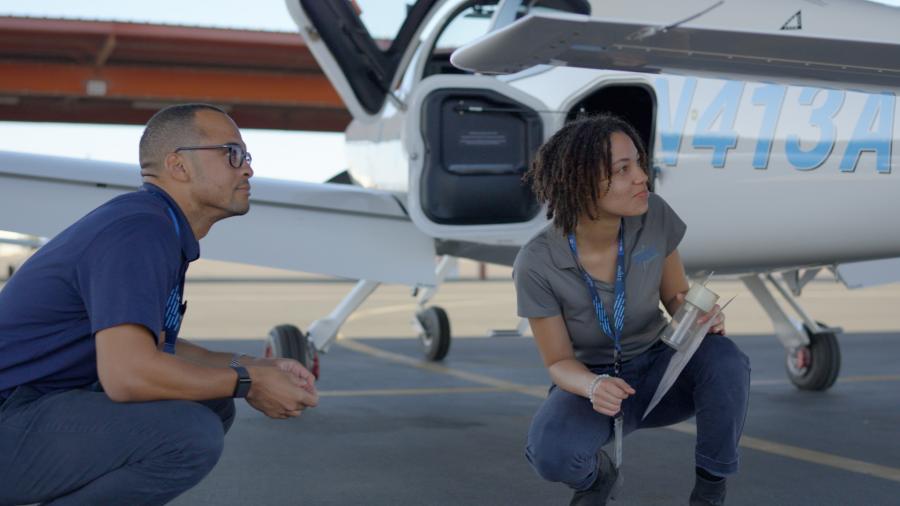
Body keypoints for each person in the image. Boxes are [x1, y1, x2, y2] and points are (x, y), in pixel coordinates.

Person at [0, 103, 319, 506]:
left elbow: (154, 348)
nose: (247, 169)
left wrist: (256, 366)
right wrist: (249, 382)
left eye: (246, 157)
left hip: (28, 406)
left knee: (209, 400)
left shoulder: (155, 225)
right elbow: (129, 375)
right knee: (188, 435)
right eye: (232, 154)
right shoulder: (138, 232)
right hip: (11, 411)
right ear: (179, 166)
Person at [513, 114, 750, 506]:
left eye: (638, 163)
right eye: (623, 170)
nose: (642, 177)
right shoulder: (537, 263)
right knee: (550, 454)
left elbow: (676, 296)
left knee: (726, 360)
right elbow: (557, 361)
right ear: (581, 181)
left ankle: (710, 489)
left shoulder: (653, 214)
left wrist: (697, 314)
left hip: (660, 369)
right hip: (594, 385)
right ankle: (595, 480)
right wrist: (593, 386)